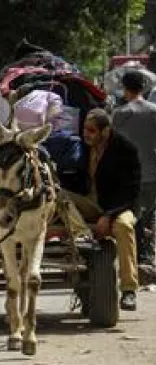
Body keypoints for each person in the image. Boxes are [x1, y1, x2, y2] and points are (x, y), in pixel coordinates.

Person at [59, 109, 141, 311]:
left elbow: (131, 191)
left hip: (119, 207)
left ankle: (129, 290)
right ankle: (82, 234)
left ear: (105, 131)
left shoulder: (125, 149)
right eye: (85, 129)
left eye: (92, 130)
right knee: (57, 194)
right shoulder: (83, 148)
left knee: (123, 227)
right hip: (90, 203)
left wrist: (109, 215)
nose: (86, 134)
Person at [111, 70, 156, 279]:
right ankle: (146, 260)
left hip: (127, 178)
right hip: (151, 176)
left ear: (125, 89)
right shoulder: (154, 111)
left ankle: (135, 263)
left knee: (131, 220)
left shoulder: (120, 114)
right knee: (147, 218)